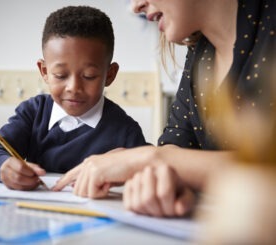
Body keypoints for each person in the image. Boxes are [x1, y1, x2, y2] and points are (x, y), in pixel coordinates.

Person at [53, 0, 275, 217]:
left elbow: (169, 159)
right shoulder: (199, 53)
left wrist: (151, 160)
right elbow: (177, 146)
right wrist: (169, 181)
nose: (136, 6)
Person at [0, 6, 147, 190]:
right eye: (61, 75)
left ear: (110, 75)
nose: (73, 88)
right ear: (45, 71)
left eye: (88, 76)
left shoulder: (125, 131)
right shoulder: (33, 113)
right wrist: (3, 166)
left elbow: (150, 169)